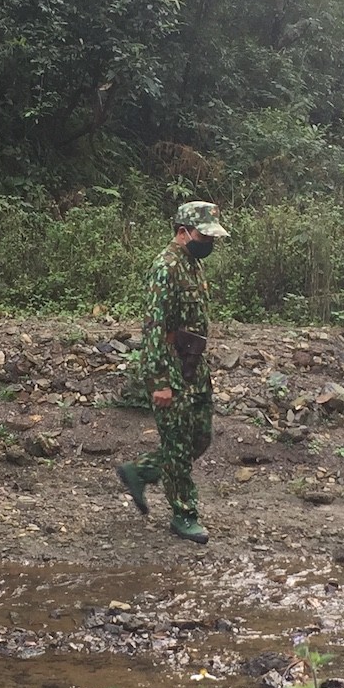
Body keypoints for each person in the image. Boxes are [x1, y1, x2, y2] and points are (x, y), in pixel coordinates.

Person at [118, 201, 227, 544]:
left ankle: (142, 471)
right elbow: (153, 327)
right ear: (183, 232)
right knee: (178, 445)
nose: (209, 243)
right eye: (203, 236)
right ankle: (184, 514)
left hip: (194, 366)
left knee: (200, 437)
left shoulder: (192, 264)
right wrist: (160, 382)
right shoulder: (165, 267)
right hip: (171, 367)